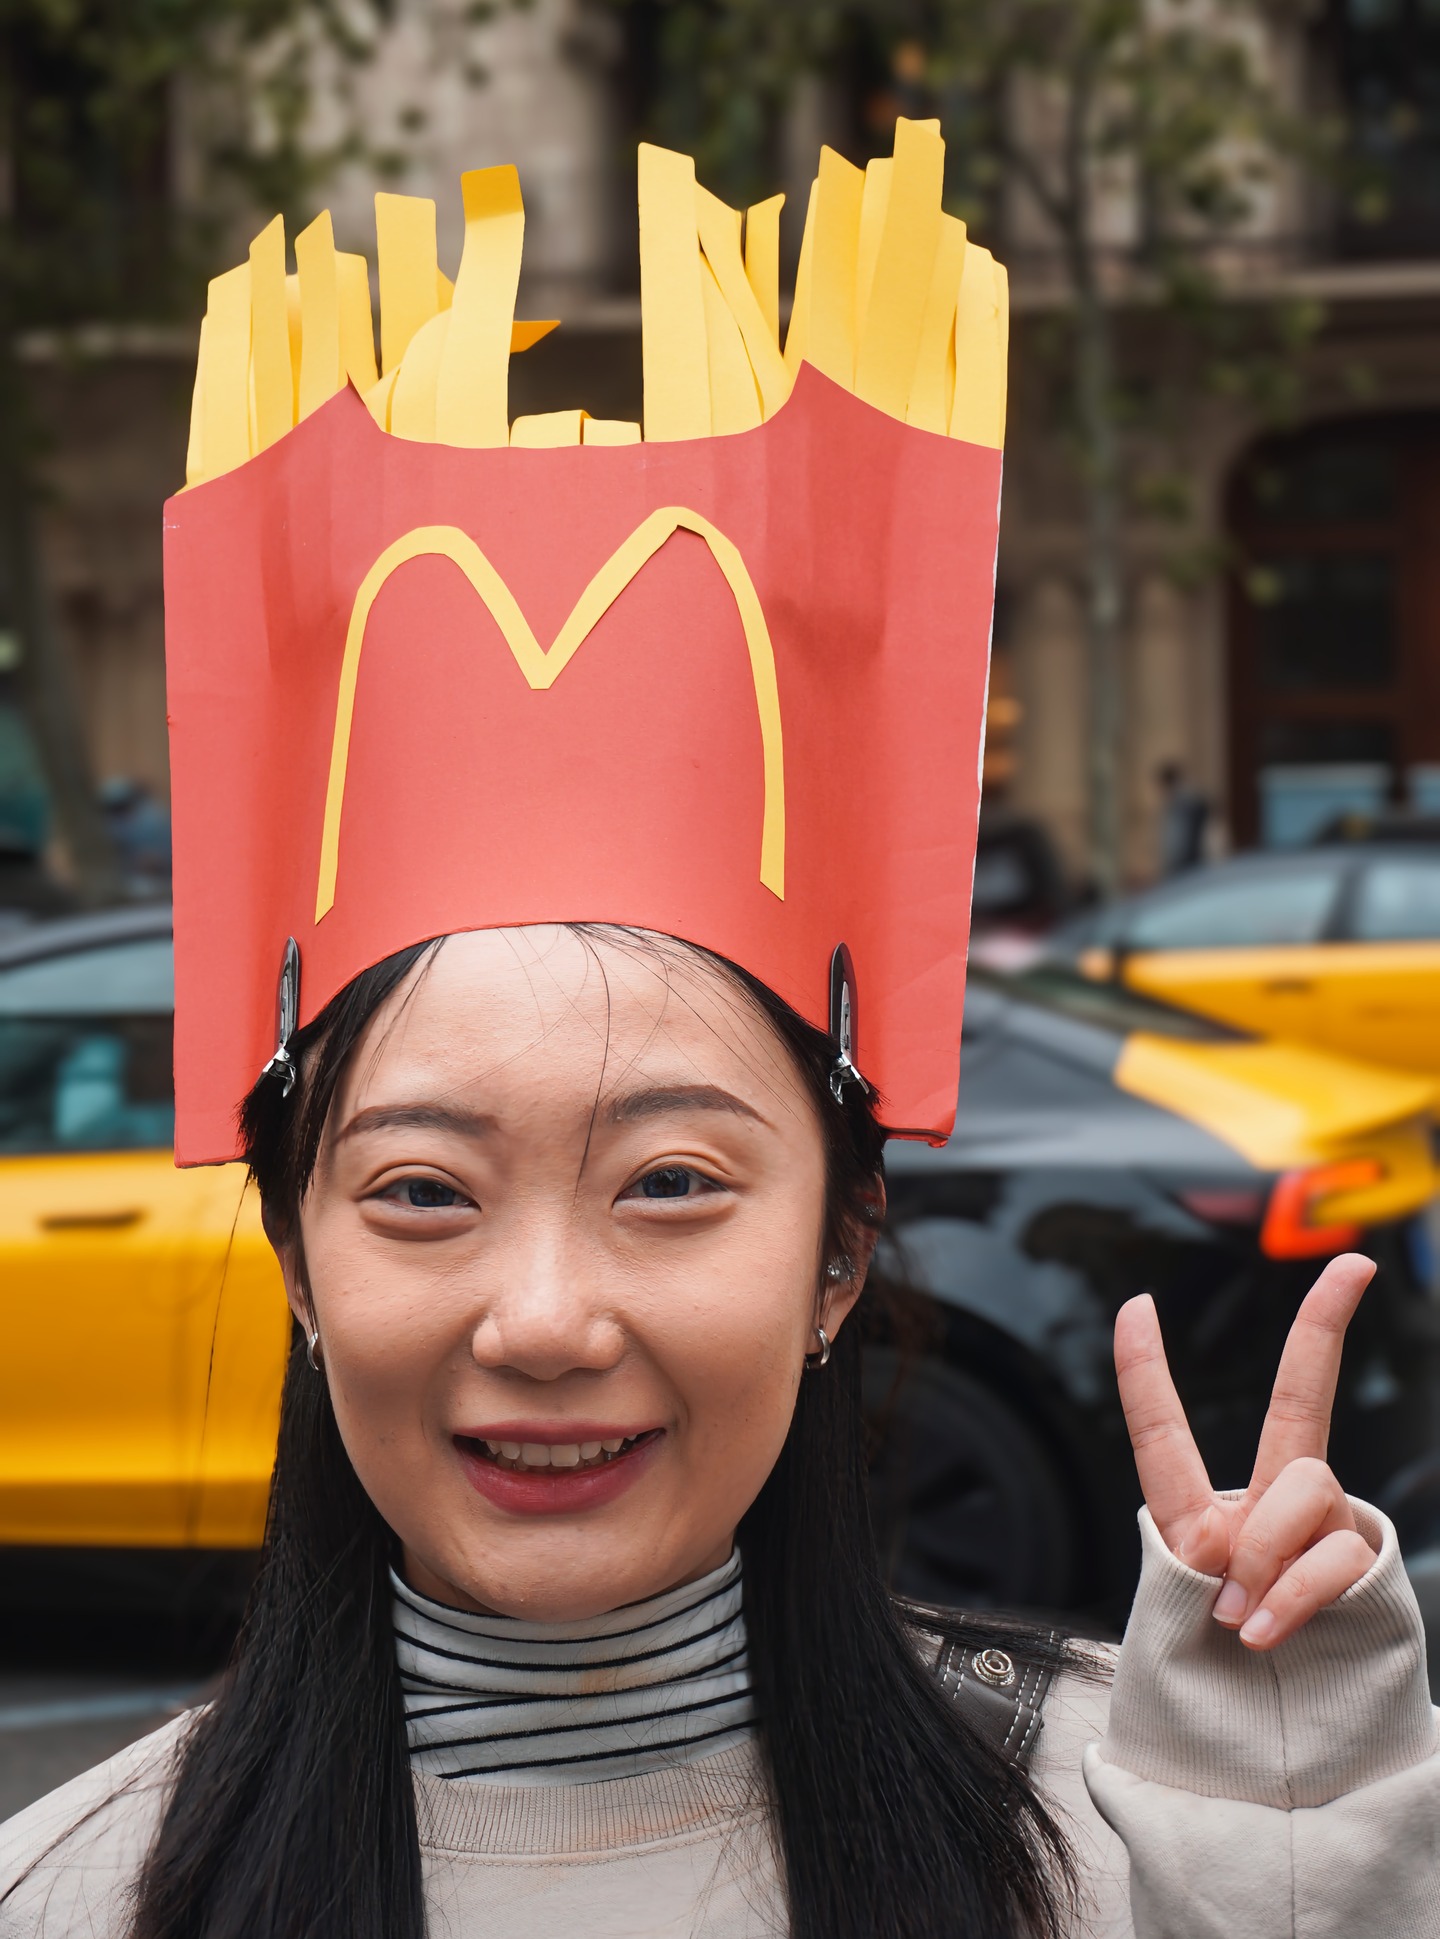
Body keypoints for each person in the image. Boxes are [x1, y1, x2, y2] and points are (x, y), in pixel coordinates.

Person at [3, 122, 1438, 1939]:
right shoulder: (78, 1898)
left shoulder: (1136, 1842)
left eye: (670, 1179)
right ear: (294, 1247)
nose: (543, 1320)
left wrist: (1292, 1860)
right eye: (425, 1193)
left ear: (842, 1248)